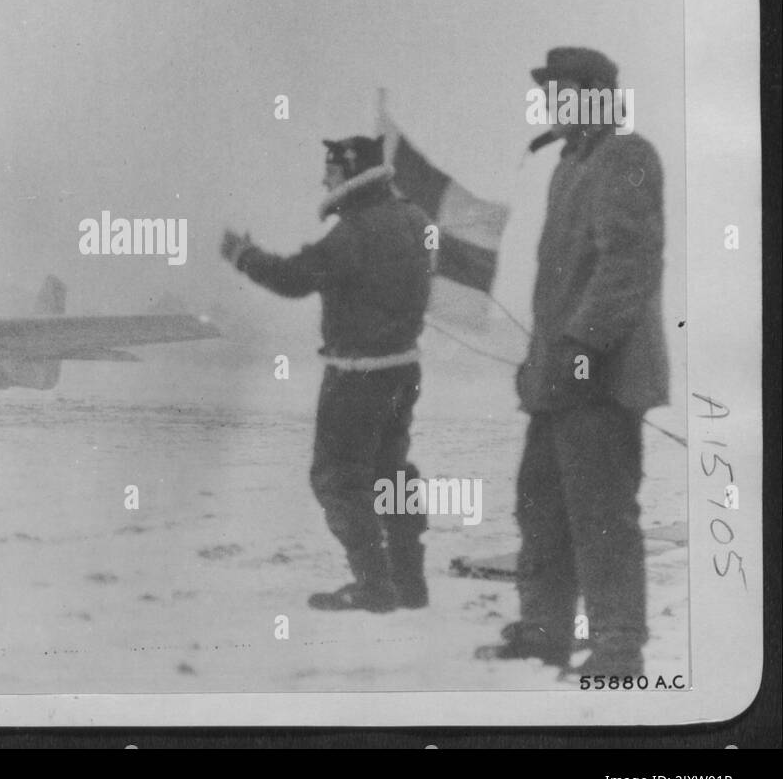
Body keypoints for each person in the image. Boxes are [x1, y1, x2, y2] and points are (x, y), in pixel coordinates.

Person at [479, 47, 668, 677]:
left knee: (601, 512)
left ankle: (617, 648)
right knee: (540, 503)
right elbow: (562, 286)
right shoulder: (570, 164)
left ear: (592, 95)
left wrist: (580, 348)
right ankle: (544, 632)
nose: (550, 105)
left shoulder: (627, 156)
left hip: (601, 375)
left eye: (559, 92)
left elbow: (628, 264)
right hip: (560, 375)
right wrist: (543, 362)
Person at [222, 135, 433, 612]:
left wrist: (243, 256)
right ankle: (409, 581)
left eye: (331, 172)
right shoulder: (416, 220)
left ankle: (374, 585)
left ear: (351, 173)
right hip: (402, 370)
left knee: (339, 480)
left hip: (357, 377)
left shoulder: (354, 234)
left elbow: (294, 279)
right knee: (390, 473)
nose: (324, 180)